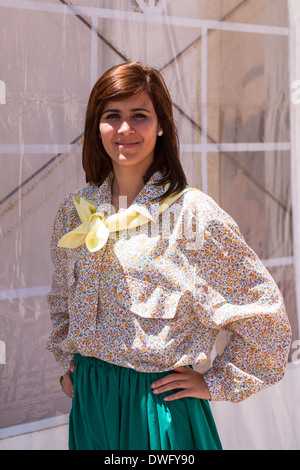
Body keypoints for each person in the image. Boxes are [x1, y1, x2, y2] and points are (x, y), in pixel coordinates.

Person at [46, 61, 291, 451]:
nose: (125, 129)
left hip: (156, 407)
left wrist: (215, 382)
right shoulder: (74, 211)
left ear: (161, 124)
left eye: (139, 116)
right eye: (112, 116)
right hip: (91, 402)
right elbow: (62, 300)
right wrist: (71, 366)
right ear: (97, 125)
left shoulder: (193, 215)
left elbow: (264, 317)